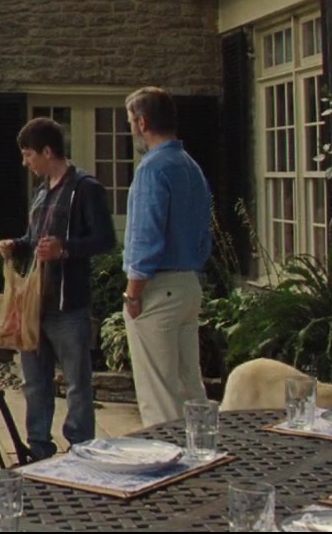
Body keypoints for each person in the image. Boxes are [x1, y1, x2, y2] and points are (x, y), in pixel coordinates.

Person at [0, 117, 116, 459]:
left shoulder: (86, 188)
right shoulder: (41, 191)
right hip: (35, 305)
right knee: (34, 382)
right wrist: (17, 246)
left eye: (28, 154)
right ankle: (39, 448)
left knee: (77, 384)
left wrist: (65, 249)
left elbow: (105, 239)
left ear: (48, 151)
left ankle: (81, 447)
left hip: (69, 305)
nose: (25, 162)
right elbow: (35, 241)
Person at [120, 86, 214, 429]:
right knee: (191, 392)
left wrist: (133, 293)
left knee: (160, 403)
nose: (131, 127)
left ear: (142, 122)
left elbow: (146, 237)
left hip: (157, 290)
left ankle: (171, 476)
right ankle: (202, 462)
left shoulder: (152, 169)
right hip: (189, 285)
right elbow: (205, 233)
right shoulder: (191, 167)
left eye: (131, 120)